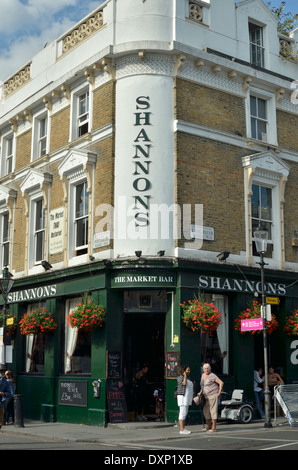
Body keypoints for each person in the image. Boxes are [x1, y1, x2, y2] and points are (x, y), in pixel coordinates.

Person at [198, 363, 223, 432]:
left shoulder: (212, 375)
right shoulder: (202, 375)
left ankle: (214, 427)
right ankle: (209, 426)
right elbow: (203, 386)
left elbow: (221, 383)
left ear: (210, 369)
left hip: (212, 395)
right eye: (205, 368)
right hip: (205, 396)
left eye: (207, 368)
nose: (206, 370)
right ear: (203, 369)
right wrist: (200, 392)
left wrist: (219, 392)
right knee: (205, 411)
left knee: (213, 411)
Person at [176, 365, 193, 435]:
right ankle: (182, 429)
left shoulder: (187, 378)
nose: (189, 371)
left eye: (189, 370)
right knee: (182, 413)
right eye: (187, 370)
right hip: (183, 398)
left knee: (185, 413)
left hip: (187, 398)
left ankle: (183, 427)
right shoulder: (180, 377)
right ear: (184, 371)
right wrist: (185, 376)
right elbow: (184, 384)